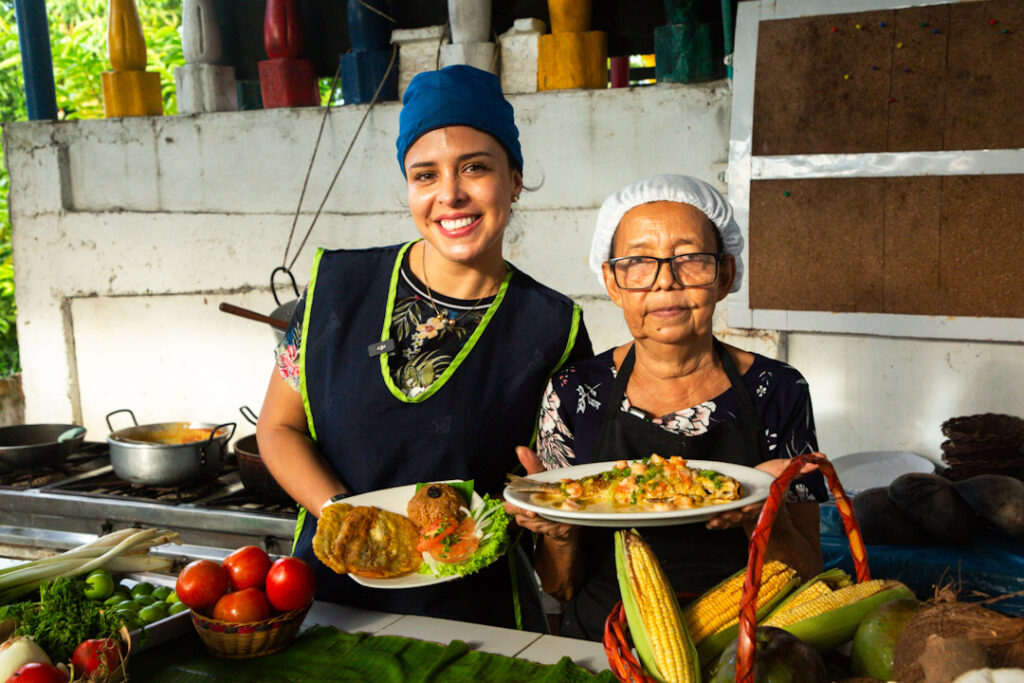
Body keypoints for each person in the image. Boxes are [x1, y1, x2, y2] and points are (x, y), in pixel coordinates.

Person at [256, 65, 592, 628]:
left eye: (476, 168)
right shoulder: (337, 288)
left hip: (473, 623)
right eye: (425, 175)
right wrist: (347, 519)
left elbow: (555, 519)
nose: (450, 195)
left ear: (514, 178)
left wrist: (558, 530)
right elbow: (278, 427)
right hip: (327, 608)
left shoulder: (553, 331)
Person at [506, 174, 828, 641]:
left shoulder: (778, 390)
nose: (664, 282)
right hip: (605, 639)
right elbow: (560, 585)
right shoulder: (576, 390)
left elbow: (809, 571)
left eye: (690, 259)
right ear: (613, 283)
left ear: (725, 275)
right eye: (637, 263)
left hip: (744, 639)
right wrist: (556, 531)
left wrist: (762, 512)